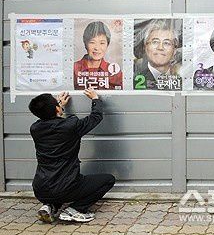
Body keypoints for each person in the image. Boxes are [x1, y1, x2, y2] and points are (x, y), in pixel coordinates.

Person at [28, 88, 115, 223]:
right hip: (66, 187)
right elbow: (95, 117)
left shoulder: (35, 129)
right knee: (108, 179)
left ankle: (49, 206)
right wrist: (95, 99)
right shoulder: (71, 126)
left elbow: (52, 124)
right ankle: (75, 210)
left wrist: (58, 108)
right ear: (57, 109)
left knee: (56, 189)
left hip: (41, 189)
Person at [73, 21, 123, 90]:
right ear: (85, 44)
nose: (97, 48)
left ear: (107, 45)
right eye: (92, 42)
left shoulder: (114, 71)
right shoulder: (74, 68)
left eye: (102, 43)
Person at [134, 19, 182, 90]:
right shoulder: (134, 78)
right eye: (155, 42)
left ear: (174, 50)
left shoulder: (183, 79)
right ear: (145, 47)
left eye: (166, 43)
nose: (160, 48)